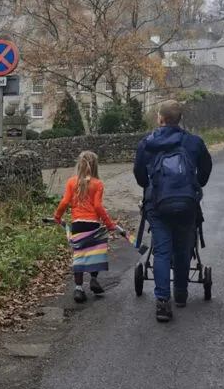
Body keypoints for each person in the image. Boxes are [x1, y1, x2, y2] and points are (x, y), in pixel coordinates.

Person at [133, 100, 213, 322]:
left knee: (162, 251)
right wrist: (194, 185)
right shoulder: (194, 142)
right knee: (183, 247)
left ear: (160, 118)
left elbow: (139, 175)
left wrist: (151, 187)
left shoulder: (147, 143)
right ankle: (180, 294)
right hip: (187, 203)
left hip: (158, 205)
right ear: (180, 119)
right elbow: (206, 168)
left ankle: (162, 302)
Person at [54, 150, 117, 303]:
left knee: (79, 256)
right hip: (93, 224)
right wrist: (108, 223)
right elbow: (98, 206)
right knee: (94, 254)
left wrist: (57, 216)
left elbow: (65, 202)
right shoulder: (98, 184)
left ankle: (79, 289)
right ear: (95, 166)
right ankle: (94, 279)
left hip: (77, 224)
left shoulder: (71, 182)